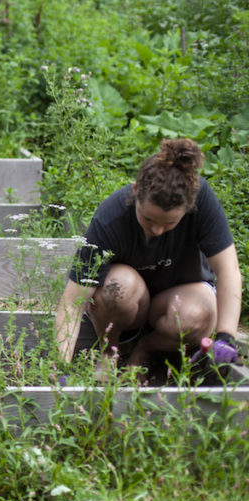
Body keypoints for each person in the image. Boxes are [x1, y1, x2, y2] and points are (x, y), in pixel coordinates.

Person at [55, 138, 242, 374]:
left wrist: (226, 337)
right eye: (149, 219)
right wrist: (59, 370)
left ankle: (146, 348)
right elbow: (72, 302)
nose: (157, 230)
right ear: (135, 191)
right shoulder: (110, 217)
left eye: (169, 223)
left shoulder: (202, 200)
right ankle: (109, 351)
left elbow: (229, 271)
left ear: (189, 207)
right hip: (131, 298)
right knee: (116, 288)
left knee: (199, 314)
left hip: (182, 295)